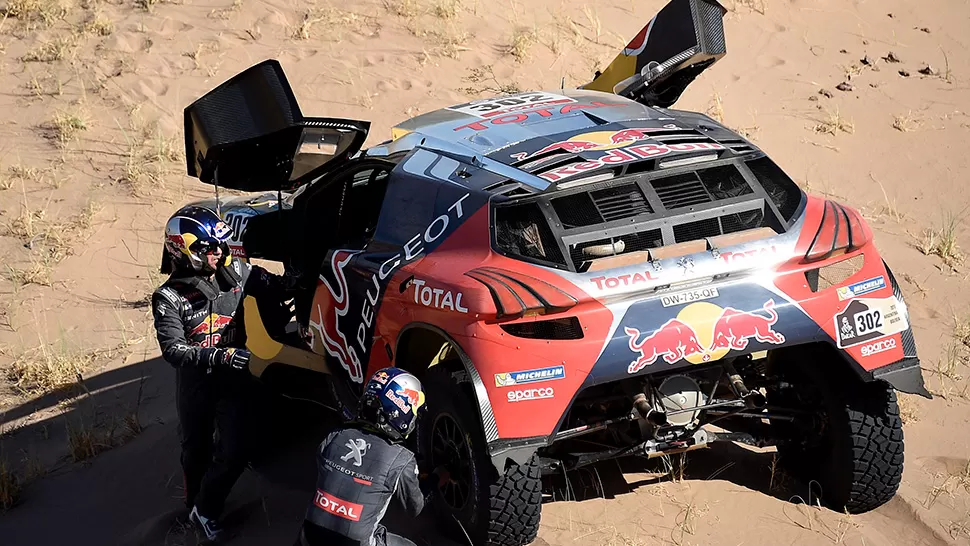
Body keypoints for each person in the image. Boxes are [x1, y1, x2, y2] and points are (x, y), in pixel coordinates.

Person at [151, 205, 292, 542]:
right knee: (195, 449)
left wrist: (299, 270)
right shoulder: (168, 297)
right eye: (206, 248)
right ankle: (192, 508)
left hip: (235, 379)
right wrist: (222, 355)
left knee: (237, 447)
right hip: (197, 381)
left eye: (220, 245)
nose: (216, 252)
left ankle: (207, 508)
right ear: (180, 249)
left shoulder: (239, 273)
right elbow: (173, 350)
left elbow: (281, 287)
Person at [296, 368, 450, 546]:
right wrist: (437, 477)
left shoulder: (334, 436)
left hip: (308, 537)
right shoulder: (401, 459)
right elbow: (415, 506)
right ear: (402, 411)